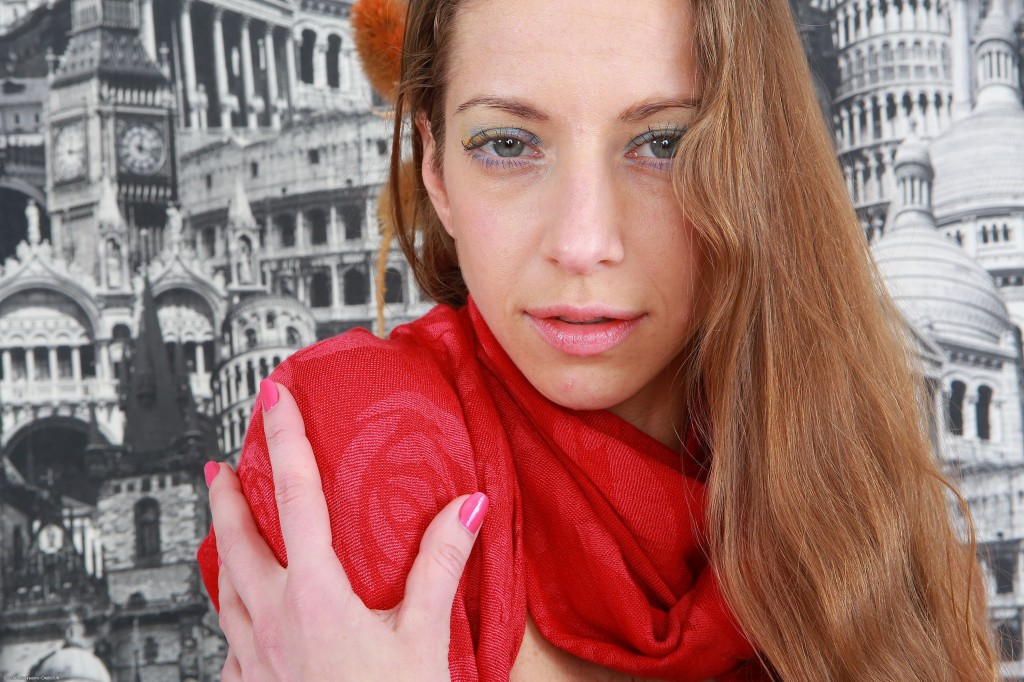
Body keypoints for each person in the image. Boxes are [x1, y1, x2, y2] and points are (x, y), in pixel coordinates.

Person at [198, 0, 1000, 679]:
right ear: (435, 169)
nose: (583, 243)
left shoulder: (885, 538)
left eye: (665, 144)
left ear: (758, 165)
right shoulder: (364, 451)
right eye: (507, 144)